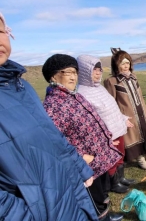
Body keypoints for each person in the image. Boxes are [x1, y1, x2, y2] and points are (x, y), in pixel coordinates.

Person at [0, 12, 99, 221]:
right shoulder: (52, 100)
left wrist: (79, 167)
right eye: (67, 72)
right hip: (40, 211)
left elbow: (52, 135)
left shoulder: (21, 86)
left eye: (1, 30)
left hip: (69, 194)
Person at [42, 54, 123, 221]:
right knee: (94, 200)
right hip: (85, 164)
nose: (73, 77)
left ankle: (107, 215)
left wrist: (106, 138)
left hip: (98, 157)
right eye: (68, 72)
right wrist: (80, 157)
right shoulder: (52, 105)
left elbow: (94, 119)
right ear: (53, 76)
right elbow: (55, 142)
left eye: (75, 72)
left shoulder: (75, 95)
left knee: (102, 193)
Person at [77, 55, 138, 194]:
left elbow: (112, 108)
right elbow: (91, 120)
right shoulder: (81, 93)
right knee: (111, 160)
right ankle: (113, 183)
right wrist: (104, 138)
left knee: (120, 156)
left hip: (117, 129)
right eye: (94, 69)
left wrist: (123, 119)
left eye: (99, 69)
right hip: (107, 135)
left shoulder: (100, 88)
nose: (98, 72)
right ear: (85, 71)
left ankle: (121, 178)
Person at [104, 50, 146, 170]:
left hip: (142, 111)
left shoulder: (133, 78)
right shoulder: (112, 81)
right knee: (135, 136)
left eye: (127, 63)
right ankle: (140, 159)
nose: (126, 66)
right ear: (116, 65)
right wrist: (120, 117)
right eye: (123, 63)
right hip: (128, 114)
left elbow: (139, 95)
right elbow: (111, 102)